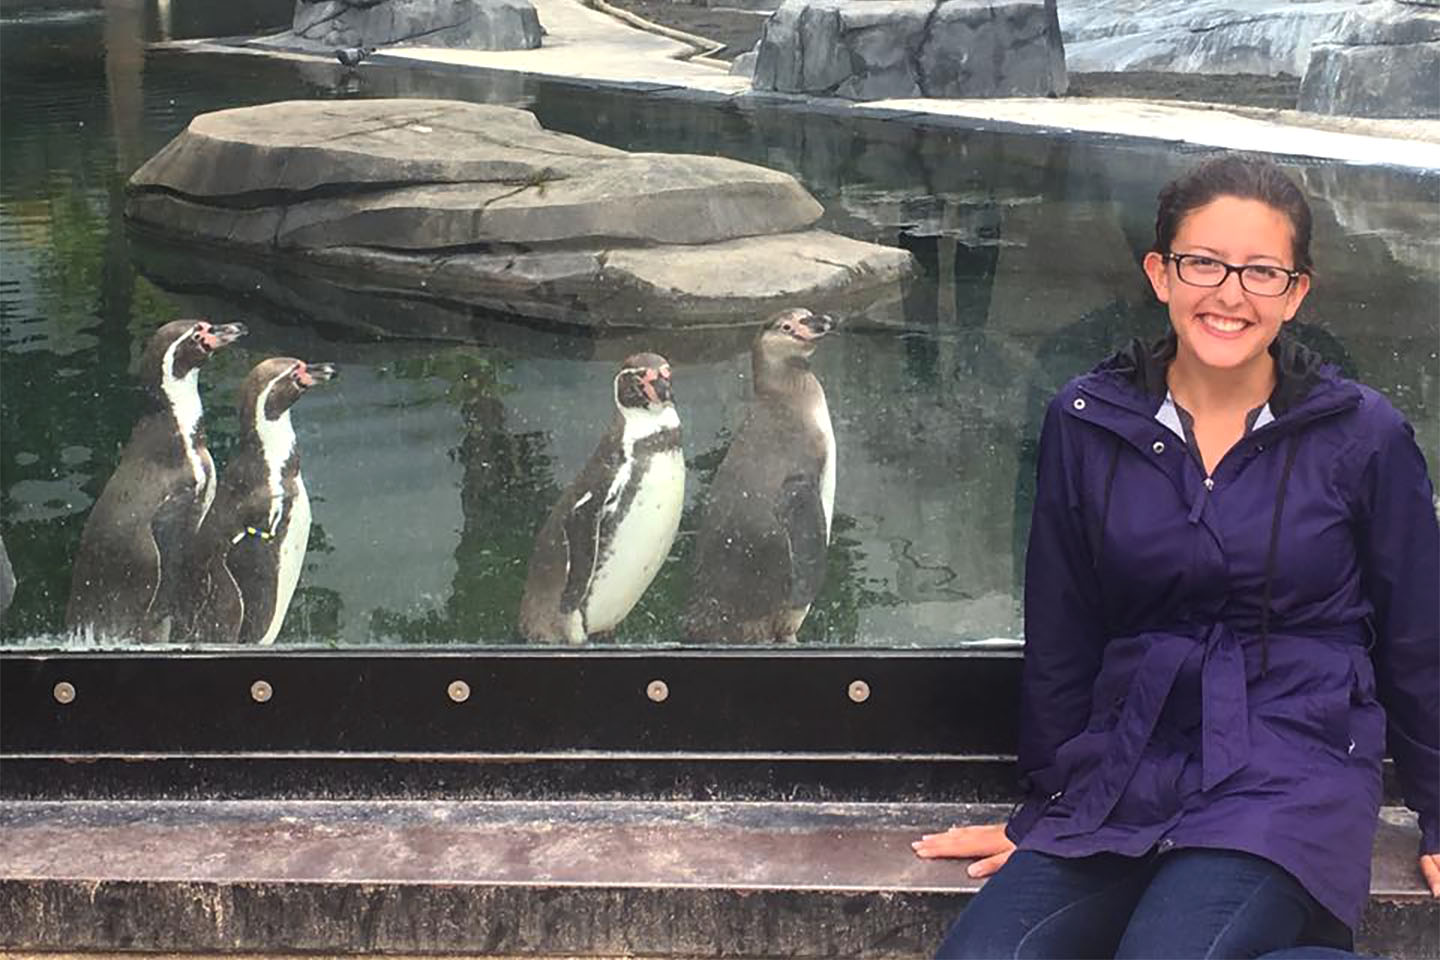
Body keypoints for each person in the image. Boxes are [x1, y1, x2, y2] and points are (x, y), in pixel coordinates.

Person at [913, 154, 1439, 958]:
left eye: (1261, 271)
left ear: (1295, 292)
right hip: (1128, 762)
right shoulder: (1088, 420)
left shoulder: (1361, 435)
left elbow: (1418, 636)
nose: (1230, 293)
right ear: (1160, 273)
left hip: (1291, 761)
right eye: (1204, 263)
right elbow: (1063, 629)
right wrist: (1047, 806)